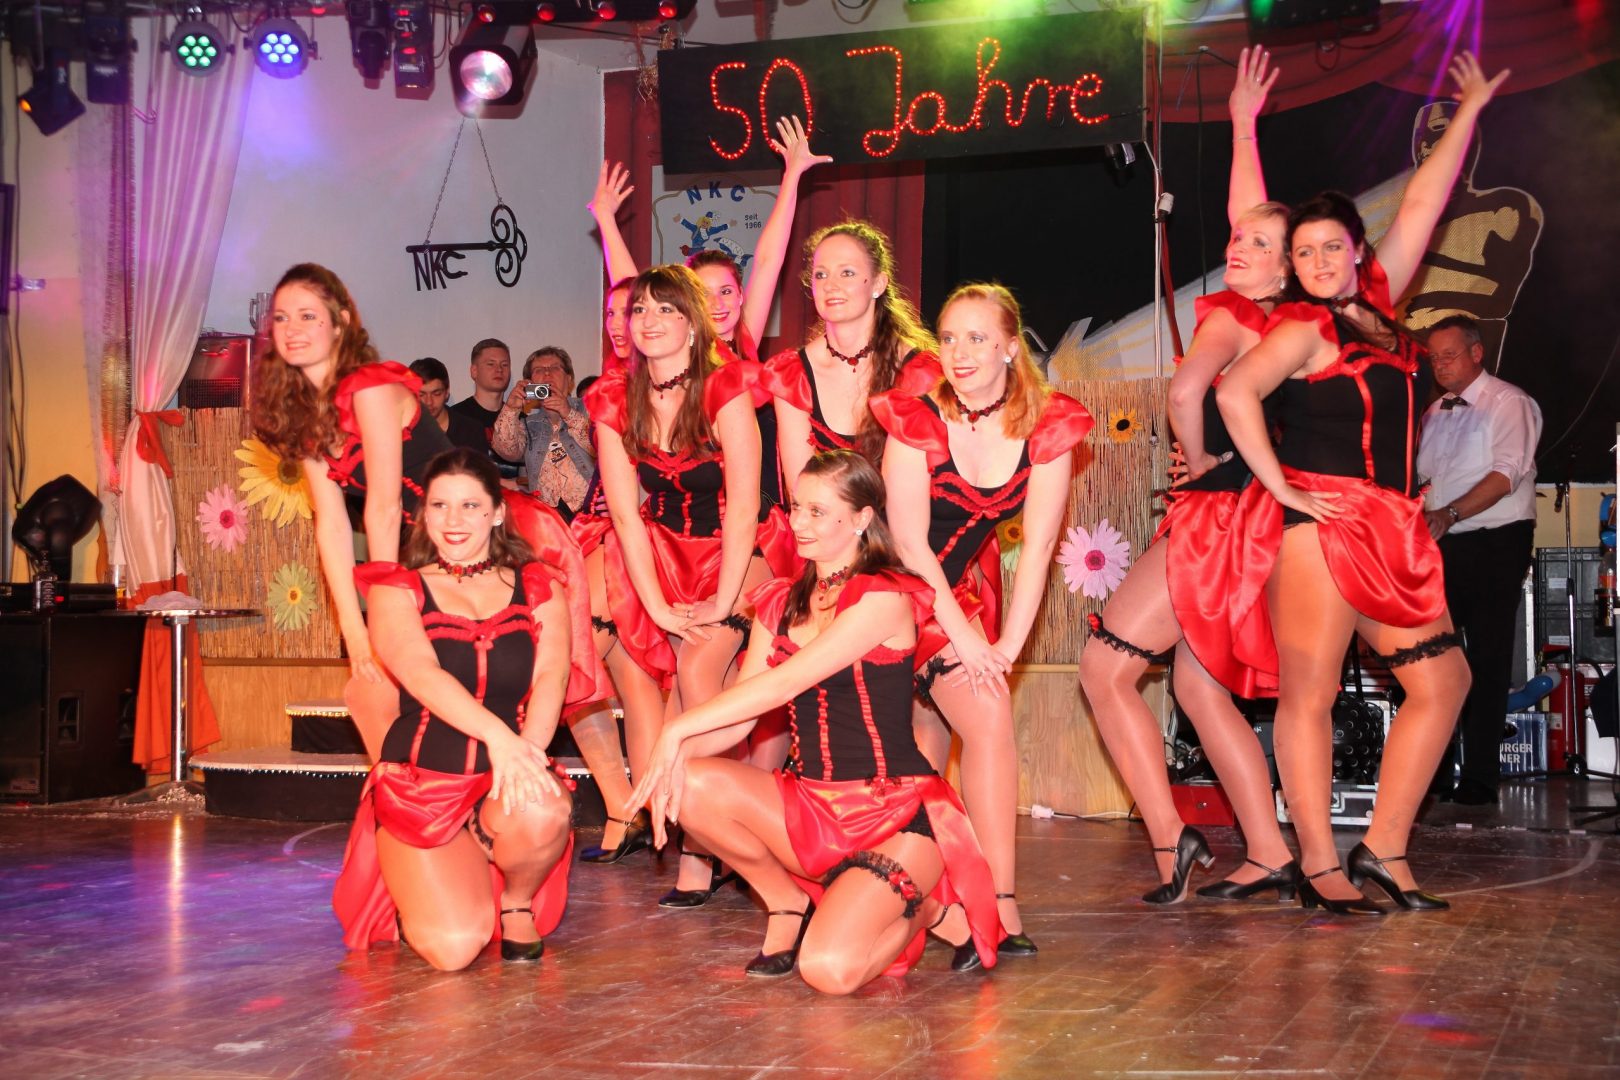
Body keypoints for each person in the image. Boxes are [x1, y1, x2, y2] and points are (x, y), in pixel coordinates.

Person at [1218, 52, 1508, 915]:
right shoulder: (1298, 326)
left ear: (1357, 252)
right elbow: (1235, 392)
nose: (1314, 259)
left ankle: (1383, 847)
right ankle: (1318, 863)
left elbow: (1422, 202)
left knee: (1444, 682)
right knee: (1308, 696)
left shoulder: (1378, 306)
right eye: (1300, 251)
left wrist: (1469, 111)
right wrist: (1282, 488)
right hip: (1319, 524)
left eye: (1328, 247)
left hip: (1391, 524)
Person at [626, 451, 1000, 992]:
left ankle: (926, 911)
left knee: (828, 971)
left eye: (818, 512)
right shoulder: (782, 602)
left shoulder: (885, 596)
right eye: (797, 508)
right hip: (809, 808)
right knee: (686, 783)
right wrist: (667, 765)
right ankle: (785, 901)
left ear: (863, 519)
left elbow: (784, 683)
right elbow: (742, 716)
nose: (799, 523)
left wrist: (674, 729)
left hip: (894, 815)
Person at [1078, 47, 1299, 904]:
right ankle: (1269, 851)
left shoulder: (1234, 317)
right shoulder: (1294, 325)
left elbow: (1181, 392)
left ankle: (1174, 841)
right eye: (1236, 240)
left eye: (1256, 247)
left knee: (1105, 670)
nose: (1237, 247)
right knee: (1201, 692)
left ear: (1283, 268)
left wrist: (1198, 460)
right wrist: (1242, 126)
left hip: (1217, 515)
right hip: (1260, 519)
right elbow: (1259, 219)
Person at [251, 264, 600, 764]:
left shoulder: (369, 387)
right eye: (282, 318)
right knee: (369, 689)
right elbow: (330, 524)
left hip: (492, 533)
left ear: (341, 322)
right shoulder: (306, 416)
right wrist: (353, 631)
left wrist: (383, 612)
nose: (293, 329)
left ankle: (614, 798)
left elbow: (384, 507)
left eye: (308, 316)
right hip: (428, 552)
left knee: (568, 685)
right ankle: (407, 793)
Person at [875, 282, 1092, 962]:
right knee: (909, 746)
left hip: (953, 595)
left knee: (987, 713)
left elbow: (1040, 546)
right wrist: (969, 640)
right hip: (882, 591)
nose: (959, 352)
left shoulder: (1046, 425)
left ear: (1009, 347)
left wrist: (1007, 646)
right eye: (948, 338)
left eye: (976, 338)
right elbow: (909, 546)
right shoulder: (917, 418)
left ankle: (997, 901)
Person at [588, 264, 795, 903]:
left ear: (693, 322)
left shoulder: (725, 386)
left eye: (666, 310)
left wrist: (724, 599)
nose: (648, 321)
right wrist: (655, 607)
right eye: (639, 310)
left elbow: (743, 505)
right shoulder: (614, 397)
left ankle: (712, 845)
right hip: (664, 553)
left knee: (699, 669)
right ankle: (703, 844)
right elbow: (625, 515)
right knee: (667, 686)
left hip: (743, 550)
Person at [331, 449, 574, 969]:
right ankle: (426, 886)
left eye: (470, 506)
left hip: (502, 779)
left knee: (545, 807)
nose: (453, 520)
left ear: (497, 512)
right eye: (440, 505)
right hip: (421, 787)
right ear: (423, 515)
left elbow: (552, 676)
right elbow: (422, 674)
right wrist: (501, 739)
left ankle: (516, 901)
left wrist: (528, 755)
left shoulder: (538, 585)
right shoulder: (397, 589)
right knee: (455, 949)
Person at [1417, 313, 1542, 805]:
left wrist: (1449, 512)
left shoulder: (1509, 402)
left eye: (1449, 355)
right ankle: (1433, 771)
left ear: (1476, 352)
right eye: (1434, 358)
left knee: (1487, 657)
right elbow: (1425, 481)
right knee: (1432, 656)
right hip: (1442, 544)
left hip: (1495, 540)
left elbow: (1507, 473)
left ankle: (1481, 776)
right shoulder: (1432, 412)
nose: (1440, 365)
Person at [764, 220, 940, 492]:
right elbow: (801, 492)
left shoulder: (920, 373)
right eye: (821, 275)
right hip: (819, 517)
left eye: (846, 273)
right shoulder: (792, 375)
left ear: (878, 284)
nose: (830, 285)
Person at [492, 347, 596, 522]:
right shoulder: (529, 424)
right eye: (539, 370)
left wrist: (567, 412)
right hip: (548, 521)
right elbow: (506, 450)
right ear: (530, 383)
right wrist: (510, 408)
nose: (547, 374)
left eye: (555, 368)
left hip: (590, 518)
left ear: (569, 379)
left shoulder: (591, 407)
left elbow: (601, 446)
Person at [450, 338, 523, 480]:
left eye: (505, 364)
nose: (499, 369)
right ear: (474, 371)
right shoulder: (455, 417)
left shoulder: (521, 418)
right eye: (491, 364)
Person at [409, 357, 487, 453]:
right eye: (421, 395)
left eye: (436, 394)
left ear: (446, 393)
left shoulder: (471, 430)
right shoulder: (400, 433)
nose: (429, 402)